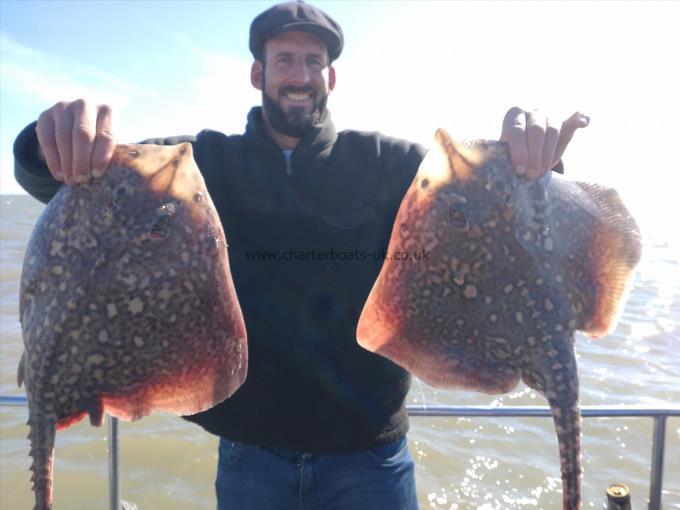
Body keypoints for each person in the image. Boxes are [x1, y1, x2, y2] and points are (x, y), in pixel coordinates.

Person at [13, 2, 589, 509]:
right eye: (285, 59)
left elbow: (485, 203)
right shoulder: (202, 163)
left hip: (371, 458)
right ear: (258, 73)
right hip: (251, 458)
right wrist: (51, 145)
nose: (300, 74)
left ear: (330, 77)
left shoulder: (387, 164)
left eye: (313, 62)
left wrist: (529, 161)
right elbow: (79, 187)